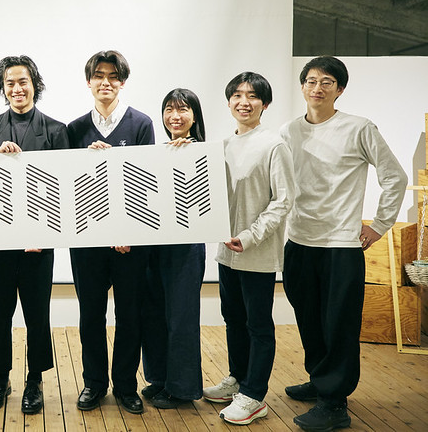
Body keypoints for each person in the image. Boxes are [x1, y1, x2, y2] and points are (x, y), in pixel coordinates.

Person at [281, 56, 406, 431]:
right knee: (309, 320)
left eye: (327, 82)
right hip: (299, 240)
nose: (317, 88)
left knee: (338, 325)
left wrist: (379, 225)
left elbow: (395, 177)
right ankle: (320, 379)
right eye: (311, 81)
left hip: (340, 244)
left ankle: (334, 403)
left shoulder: (358, 127)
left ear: (340, 89)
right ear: (302, 87)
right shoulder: (289, 131)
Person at [0, 55, 70, 414]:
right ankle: (0, 378)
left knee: (37, 315)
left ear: (34, 84)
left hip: (37, 245)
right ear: (3, 88)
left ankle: (35, 380)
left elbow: (65, 189)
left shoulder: (56, 130)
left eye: (23, 81)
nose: (17, 88)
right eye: (9, 82)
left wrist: (45, 235)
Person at [202, 72, 294, 426]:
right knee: (233, 319)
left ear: (264, 104)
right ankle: (237, 379)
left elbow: (283, 200)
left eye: (253, 96)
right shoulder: (223, 146)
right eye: (237, 95)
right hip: (227, 252)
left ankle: (254, 396)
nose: (244, 101)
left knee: (258, 326)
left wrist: (251, 236)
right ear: (229, 102)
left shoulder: (274, 145)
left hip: (256, 252)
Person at [66, 50, 153, 415]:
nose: (106, 82)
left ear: (122, 82)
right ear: (89, 82)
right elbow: (68, 186)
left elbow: (147, 183)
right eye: (99, 76)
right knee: (91, 315)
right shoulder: (73, 130)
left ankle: (126, 386)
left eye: (113, 76)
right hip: (87, 241)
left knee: (130, 314)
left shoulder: (141, 124)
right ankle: (94, 383)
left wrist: (128, 230)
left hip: (128, 243)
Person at [140, 88, 206, 409]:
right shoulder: (158, 151)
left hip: (185, 249)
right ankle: (160, 379)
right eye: (169, 109)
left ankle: (182, 389)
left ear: (194, 116)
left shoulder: (202, 152)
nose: (175, 116)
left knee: (181, 317)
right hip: (155, 245)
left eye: (182, 110)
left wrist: (188, 155)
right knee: (153, 314)